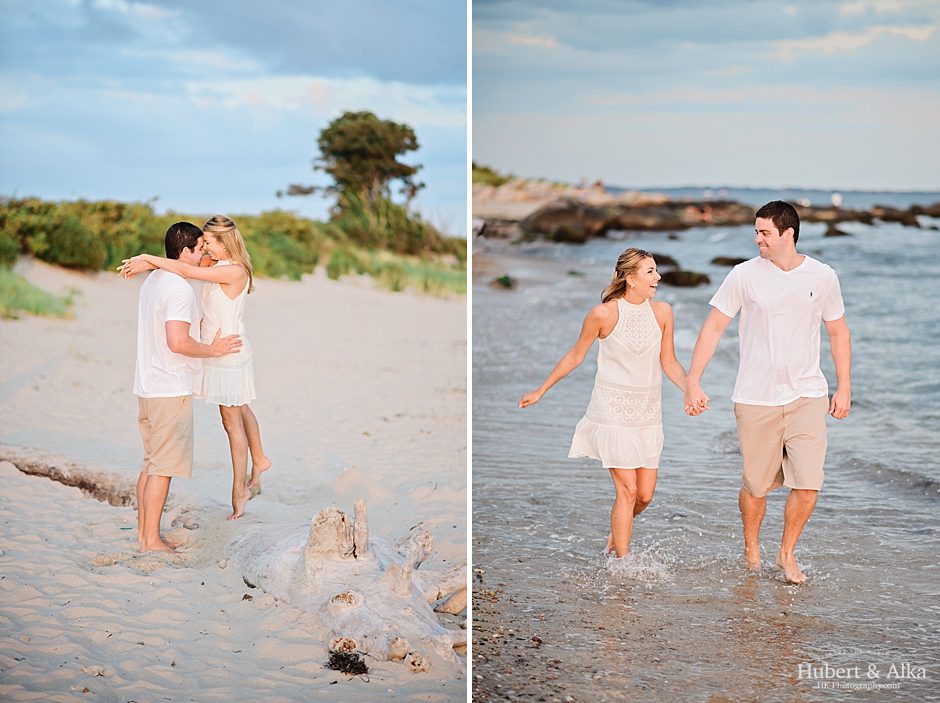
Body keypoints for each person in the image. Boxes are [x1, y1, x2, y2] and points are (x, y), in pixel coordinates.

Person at [683, 200, 852, 584]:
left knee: (808, 484)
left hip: (808, 394)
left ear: (788, 233)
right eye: (756, 232)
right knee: (756, 487)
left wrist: (844, 387)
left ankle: (787, 553)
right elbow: (713, 329)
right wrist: (693, 379)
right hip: (756, 397)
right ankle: (751, 546)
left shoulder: (822, 276)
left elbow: (838, 332)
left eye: (765, 233)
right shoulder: (743, 275)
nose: (758, 239)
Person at [519, 249, 688, 558]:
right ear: (630, 278)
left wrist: (692, 388)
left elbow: (669, 361)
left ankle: (617, 528)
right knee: (628, 491)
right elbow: (575, 355)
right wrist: (541, 390)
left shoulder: (662, 312)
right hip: (611, 410)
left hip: (648, 412)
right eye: (650, 272)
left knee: (645, 495)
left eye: (656, 271)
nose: (658, 277)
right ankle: (622, 563)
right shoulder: (604, 314)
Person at [121, 215, 272, 520]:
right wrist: (154, 262)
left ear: (224, 241)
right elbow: (181, 265)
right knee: (240, 407)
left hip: (227, 352)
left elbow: (185, 268)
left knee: (232, 423)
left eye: (209, 242)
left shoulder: (233, 270)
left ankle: (238, 492)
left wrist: (147, 259)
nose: (205, 248)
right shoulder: (213, 266)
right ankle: (260, 457)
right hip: (213, 351)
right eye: (202, 243)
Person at [133, 222, 242, 550]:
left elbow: (204, 267)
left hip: (148, 384)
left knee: (151, 463)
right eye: (199, 249)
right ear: (184, 252)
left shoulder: (154, 280)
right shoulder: (178, 289)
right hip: (169, 387)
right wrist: (214, 350)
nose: (204, 254)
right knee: (163, 469)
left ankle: (144, 534)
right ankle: (151, 540)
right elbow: (178, 342)